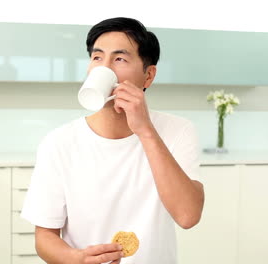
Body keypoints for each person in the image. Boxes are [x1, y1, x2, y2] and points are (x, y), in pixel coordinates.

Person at [21, 17, 204, 264]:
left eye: (119, 59)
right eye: (97, 58)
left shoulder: (178, 131)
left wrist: (145, 130)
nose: (103, 69)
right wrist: (78, 259)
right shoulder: (58, 143)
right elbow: (44, 237)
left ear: (148, 76)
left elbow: (187, 215)